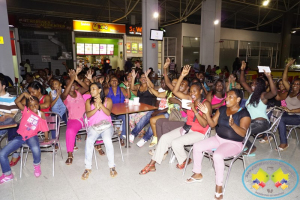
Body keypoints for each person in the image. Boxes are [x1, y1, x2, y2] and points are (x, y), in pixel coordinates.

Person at [138, 65, 211, 174]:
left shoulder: (206, 104)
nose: (192, 94)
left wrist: (195, 110)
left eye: (194, 92)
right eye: (190, 91)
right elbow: (175, 91)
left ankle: (185, 160)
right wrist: (182, 75)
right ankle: (152, 164)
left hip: (199, 132)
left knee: (176, 142)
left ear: (201, 91)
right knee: (164, 138)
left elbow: (205, 124)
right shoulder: (189, 99)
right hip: (187, 128)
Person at [188, 89, 251, 200]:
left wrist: (233, 125)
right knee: (197, 146)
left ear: (238, 99)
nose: (226, 99)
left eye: (230, 97)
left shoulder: (244, 113)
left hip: (234, 143)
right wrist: (207, 113)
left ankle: (219, 186)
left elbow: (243, 133)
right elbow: (212, 124)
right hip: (218, 139)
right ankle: (197, 173)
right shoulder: (222, 109)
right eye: (227, 96)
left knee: (217, 155)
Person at [0, 94, 49, 184]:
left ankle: (37, 165)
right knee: (2, 153)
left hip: (32, 136)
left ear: (39, 104)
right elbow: (16, 102)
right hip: (20, 136)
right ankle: (7, 174)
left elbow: (45, 127)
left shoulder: (40, 114)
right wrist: (24, 94)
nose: (34, 107)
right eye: (31, 105)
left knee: (35, 149)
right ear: (28, 107)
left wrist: (46, 138)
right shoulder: (26, 111)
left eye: (36, 105)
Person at [239, 61, 277, 154]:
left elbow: (274, 93)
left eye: (255, 83)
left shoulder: (263, 95)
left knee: (240, 131)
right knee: (236, 127)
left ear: (260, 86)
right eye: (252, 83)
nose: (252, 84)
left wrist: (268, 77)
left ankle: (251, 147)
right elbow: (242, 81)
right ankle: (240, 144)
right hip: (251, 122)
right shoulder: (252, 94)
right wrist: (242, 70)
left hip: (262, 123)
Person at [81, 82, 117, 180]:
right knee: (89, 140)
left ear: (99, 90)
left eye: (93, 89)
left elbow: (108, 113)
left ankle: (112, 166)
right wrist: (96, 108)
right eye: (91, 89)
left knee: (107, 140)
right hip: (94, 127)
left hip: (106, 126)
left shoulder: (108, 100)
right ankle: (87, 168)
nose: (91, 91)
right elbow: (88, 115)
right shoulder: (88, 101)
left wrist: (101, 105)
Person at [61, 70, 89, 165]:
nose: (72, 84)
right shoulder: (64, 96)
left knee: (98, 124)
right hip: (74, 120)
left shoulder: (79, 92)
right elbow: (65, 93)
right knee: (69, 131)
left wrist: (76, 78)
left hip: (86, 117)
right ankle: (70, 154)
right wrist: (72, 79)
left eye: (73, 83)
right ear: (65, 87)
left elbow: (86, 87)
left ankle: (98, 146)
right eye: (69, 83)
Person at [276, 59, 300, 151]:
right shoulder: (290, 90)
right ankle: (267, 136)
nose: (295, 85)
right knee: (274, 114)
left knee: (281, 119)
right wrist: (287, 67)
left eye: (298, 84)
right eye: (294, 83)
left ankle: (284, 143)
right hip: (288, 113)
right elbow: (284, 79)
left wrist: (291, 110)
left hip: (297, 117)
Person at [105, 76, 130, 145]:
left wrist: (127, 87)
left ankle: (122, 137)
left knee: (126, 117)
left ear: (118, 82)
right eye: (112, 80)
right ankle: (108, 136)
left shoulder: (121, 89)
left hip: (120, 113)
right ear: (110, 82)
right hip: (110, 113)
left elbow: (128, 96)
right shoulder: (107, 90)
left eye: (115, 80)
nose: (114, 81)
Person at [0, 77, 19, 165]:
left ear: (3, 86)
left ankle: (13, 154)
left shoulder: (11, 99)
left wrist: (2, 113)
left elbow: (13, 115)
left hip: (5, 125)